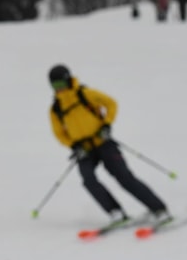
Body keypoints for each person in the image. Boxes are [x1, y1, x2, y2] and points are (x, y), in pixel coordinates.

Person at [47, 64, 171, 224]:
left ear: (68, 80)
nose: (59, 89)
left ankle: (159, 209)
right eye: (55, 86)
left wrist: (106, 125)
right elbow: (59, 133)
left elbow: (111, 103)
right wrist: (73, 145)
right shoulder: (56, 108)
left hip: (103, 143)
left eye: (61, 84)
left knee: (123, 177)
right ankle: (115, 212)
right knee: (88, 180)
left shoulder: (85, 94)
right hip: (84, 149)